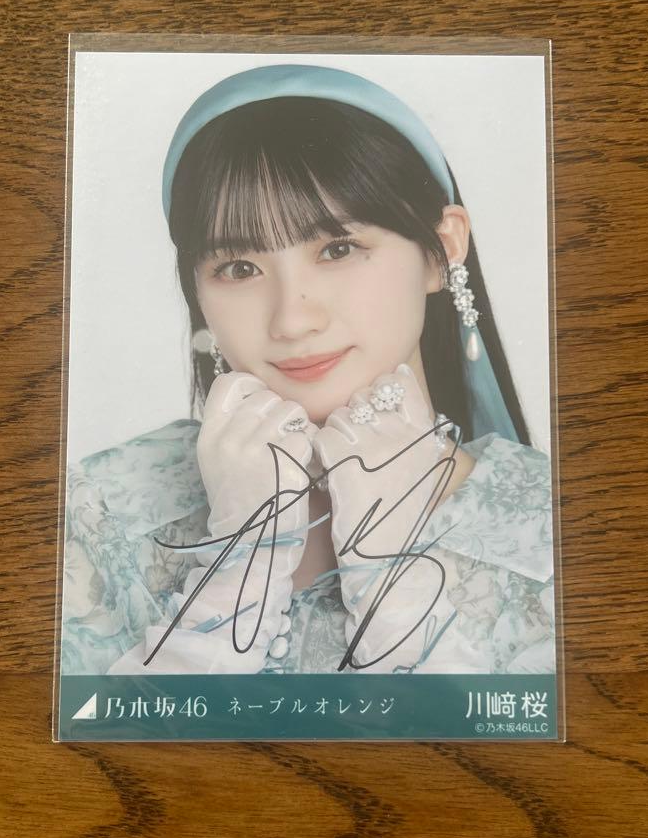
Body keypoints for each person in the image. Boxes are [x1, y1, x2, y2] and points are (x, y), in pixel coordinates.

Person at [62, 63, 554, 676]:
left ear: (441, 249)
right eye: (239, 268)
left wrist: (392, 576)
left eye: (337, 249)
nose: (292, 320)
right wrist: (238, 566)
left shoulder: (554, 524)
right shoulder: (102, 511)